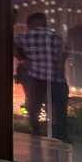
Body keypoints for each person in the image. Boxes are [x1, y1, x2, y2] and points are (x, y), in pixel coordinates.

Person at [13, 12, 69, 142]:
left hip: (35, 76)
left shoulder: (23, 37)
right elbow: (64, 49)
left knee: (34, 105)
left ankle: (36, 131)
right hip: (55, 77)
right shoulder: (55, 35)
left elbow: (12, 45)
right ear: (43, 22)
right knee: (59, 107)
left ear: (30, 24)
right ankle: (60, 135)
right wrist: (61, 63)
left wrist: (22, 59)